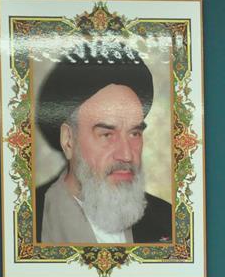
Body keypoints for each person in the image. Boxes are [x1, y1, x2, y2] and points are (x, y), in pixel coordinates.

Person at [35, 41, 172, 244]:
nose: (127, 155)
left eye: (134, 133)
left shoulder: (168, 220)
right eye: (107, 135)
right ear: (68, 140)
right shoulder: (30, 221)